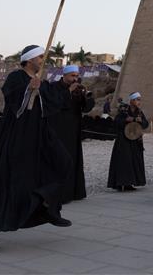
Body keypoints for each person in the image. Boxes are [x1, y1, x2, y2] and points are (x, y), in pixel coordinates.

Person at [0, 45, 73, 254]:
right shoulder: (16, 78)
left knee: (62, 163)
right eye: (40, 56)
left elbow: (55, 103)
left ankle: (46, 207)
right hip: (17, 138)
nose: (43, 59)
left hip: (40, 136)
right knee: (9, 182)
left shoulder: (42, 81)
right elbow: (15, 105)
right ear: (29, 60)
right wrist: (29, 89)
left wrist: (46, 89)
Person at [40, 64, 95, 204]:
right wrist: (69, 91)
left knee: (73, 159)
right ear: (64, 75)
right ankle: (58, 194)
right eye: (72, 76)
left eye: (77, 76)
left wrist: (86, 97)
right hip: (57, 129)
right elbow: (54, 104)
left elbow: (86, 109)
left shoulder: (79, 89)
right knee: (58, 160)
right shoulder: (53, 88)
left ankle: (73, 192)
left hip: (73, 130)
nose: (75, 79)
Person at [108, 92, 148, 191]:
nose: (139, 102)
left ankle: (130, 183)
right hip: (124, 140)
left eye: (139, 99)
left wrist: (141, 121)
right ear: (131, 100)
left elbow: (145, 124)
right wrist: (126, 120)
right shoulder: (123, 110)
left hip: (135, 140)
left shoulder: (139, 112)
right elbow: (116, 122)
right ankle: (121, 183)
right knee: (124, 161)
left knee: (133, 161)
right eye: (137, 99)